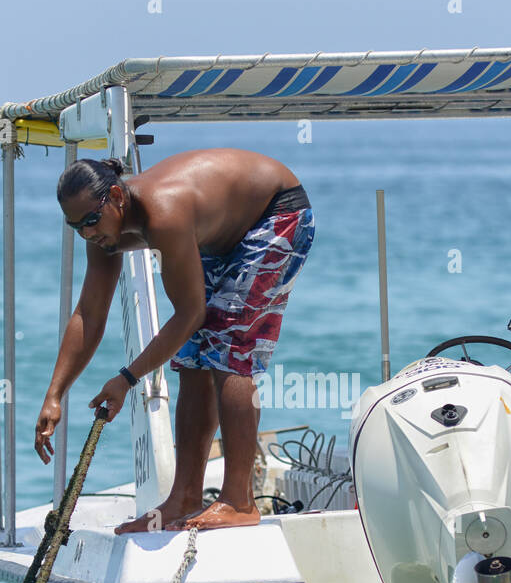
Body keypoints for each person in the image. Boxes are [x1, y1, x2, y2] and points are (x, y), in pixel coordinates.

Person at [34, 148, 314, 533]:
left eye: (92, 221)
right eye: (75, 227)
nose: (87, 233)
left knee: (228, 346)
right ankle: (184, 497)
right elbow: (89, 313)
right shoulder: (101, 234)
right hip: (223, 236)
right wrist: (55, 393)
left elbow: (189, 313)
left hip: (277, 214)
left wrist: (127, 379)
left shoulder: (163, 213)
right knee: (192, 356)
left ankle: (239, 501)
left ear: (116, 197)